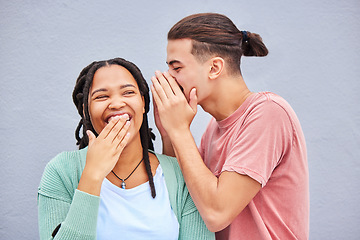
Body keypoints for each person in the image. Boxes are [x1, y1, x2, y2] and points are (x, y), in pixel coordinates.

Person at [151, 13, 309, 239]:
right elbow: (182, 199)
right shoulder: (213, 130)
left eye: (177, 68)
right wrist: (169, 135)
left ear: (214, 68)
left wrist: (180, 131)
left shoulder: (269, 112)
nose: (168, 77)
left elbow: (216, 213)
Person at [37, 57, 215, 240]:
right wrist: (92, 175)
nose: (116, 104)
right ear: (85, 111)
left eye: (128, 92)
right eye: (101, 96)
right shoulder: (61, 171)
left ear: (144, 102)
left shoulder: (181, 174)